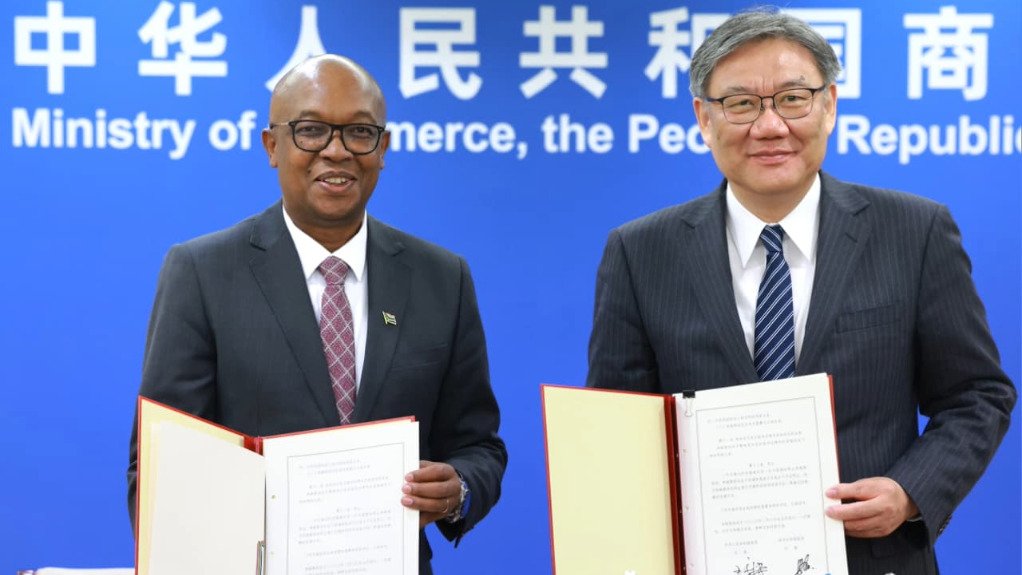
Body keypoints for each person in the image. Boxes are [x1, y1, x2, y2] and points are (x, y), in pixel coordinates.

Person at [586, 9, 1015, 575]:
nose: (770, 126)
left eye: (794, 98)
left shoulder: (915, 232)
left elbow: (976, 394)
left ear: (829, 105)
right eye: (741, 104)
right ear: (703, 119)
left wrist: (908, 491)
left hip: (873, 559)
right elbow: (619, 428)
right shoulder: (641, 251)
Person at [127, 54, 507, 573]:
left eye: (359, 132)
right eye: (310, 131)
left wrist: (458, 488)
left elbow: (479, 447)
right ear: (272, 146)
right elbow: (160, 466)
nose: (337, 151)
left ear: (383, 148)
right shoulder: (203, 272)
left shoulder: (442, 278)